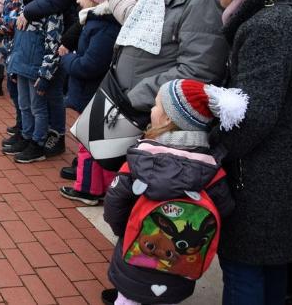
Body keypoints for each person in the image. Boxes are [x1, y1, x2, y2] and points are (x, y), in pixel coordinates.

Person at [201, 0, 292, 305]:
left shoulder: (267, 25)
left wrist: (214, 148)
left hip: (261, 177)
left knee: (245, 268)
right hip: (279, 171)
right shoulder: (280, 12)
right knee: (271, 268)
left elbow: (254, 115)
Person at [98, 0, 227, 169]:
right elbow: (154, 8)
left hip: (156, 118)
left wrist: (136, 96)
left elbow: (198, 70)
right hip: (142, 110)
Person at [102, 79, 242, 305]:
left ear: (168, 118)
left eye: (157, 105)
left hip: (134, 257)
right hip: (180, 266)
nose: (152, 109)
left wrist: (126, 231)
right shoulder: (212, 170)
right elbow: (226, 209)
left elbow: (114, 204)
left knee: (127, 301)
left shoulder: (139, 160)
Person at [2, 0, 71, 163]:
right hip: (22, 64)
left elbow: (52, 45)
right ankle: (28, 134)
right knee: (25, 104)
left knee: (39, 105)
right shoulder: (28, 3)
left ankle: (40, 140)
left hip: (36, 68)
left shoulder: (48, 11)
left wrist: (45, 74)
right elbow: (17, 39)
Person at [58, 0, 120, 205]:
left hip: (94, 91)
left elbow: (89, 65)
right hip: (94, 91)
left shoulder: (104, 27)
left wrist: (67, 58)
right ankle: (98, 187)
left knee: (89, 143)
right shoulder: (97, 22)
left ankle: (88, 189)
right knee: (94, 142)